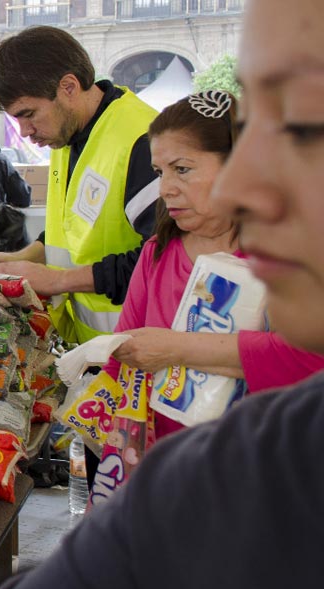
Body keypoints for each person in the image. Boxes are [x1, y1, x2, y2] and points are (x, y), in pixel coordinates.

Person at [0, 1, 324, 589]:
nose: (256, 185)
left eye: (299, 131)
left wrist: (166, 346)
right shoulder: (241, 460)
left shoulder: (138, 140)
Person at [106, 92, 324, 440]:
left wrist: (176, 348)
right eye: (159, 172)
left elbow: (309, 357)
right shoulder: (157, 252)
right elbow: (123, 356)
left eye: (182, 169)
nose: (165, 189)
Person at [0, 26, 161, 346]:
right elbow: (73, 228)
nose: (24, 132)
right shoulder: (66, 138)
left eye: (29, 114)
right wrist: (24, 259)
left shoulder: (142, 141)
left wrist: (59, 280)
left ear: (68, 87)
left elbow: (166, 257)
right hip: (91, 349)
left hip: (141, 346)